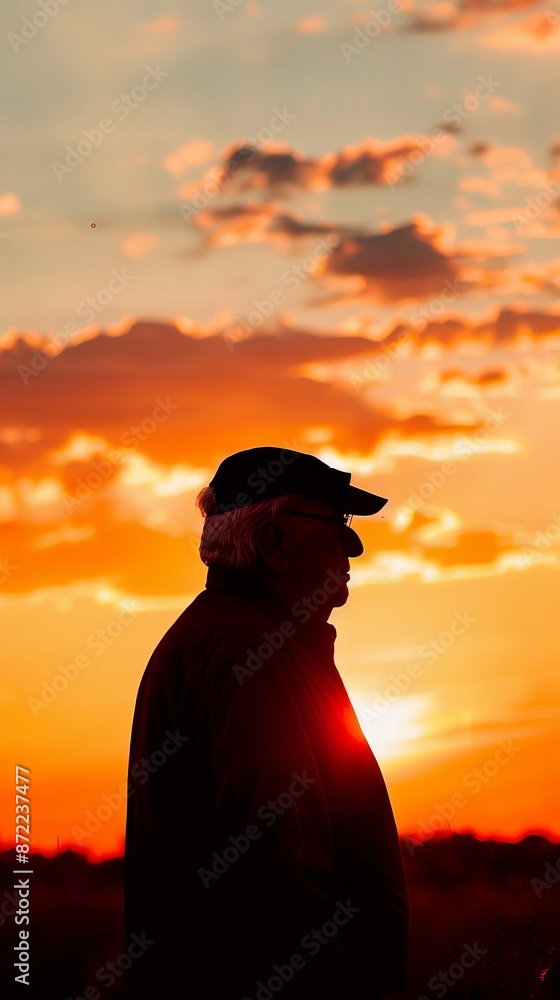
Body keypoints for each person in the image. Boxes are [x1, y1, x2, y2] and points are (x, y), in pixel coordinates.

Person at [123, 446, 409, 999]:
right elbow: (280, 875)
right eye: (337, 522)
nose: (354, 544)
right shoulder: (248, 654)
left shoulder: (249, 643)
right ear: (276, 543)